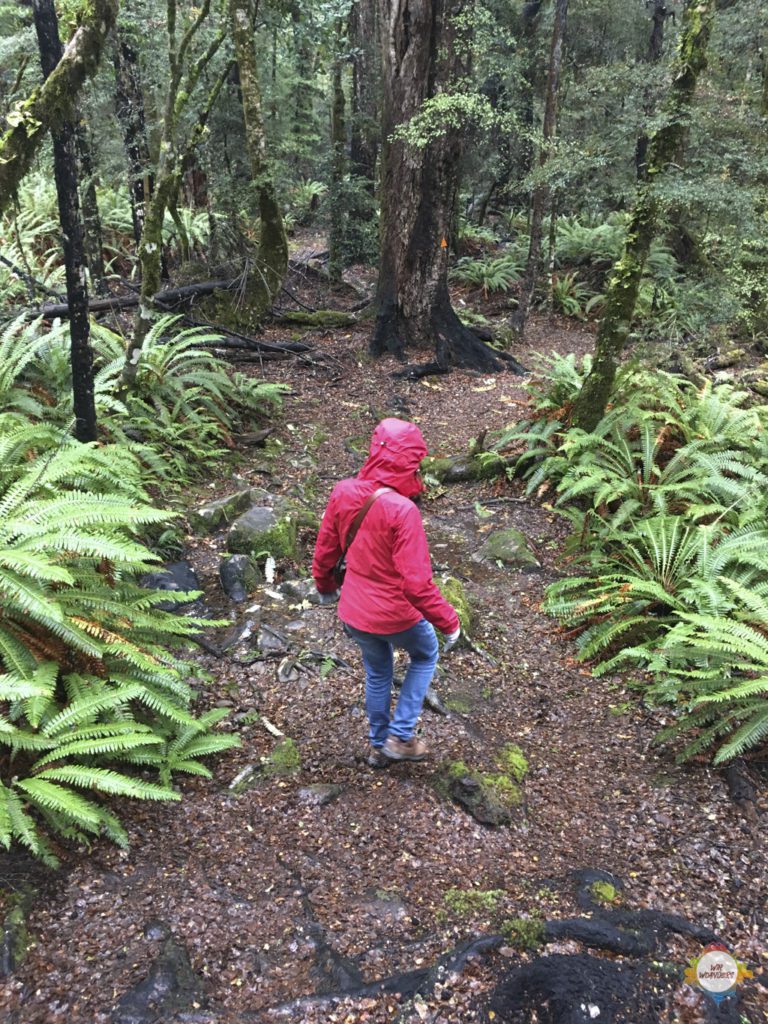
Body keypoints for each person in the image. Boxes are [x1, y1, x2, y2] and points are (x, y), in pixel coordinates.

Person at [312, 418, 461, 767]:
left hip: (354, 611)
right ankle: (401, 736)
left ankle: (380, 745)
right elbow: (417, 585)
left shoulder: (344, 491)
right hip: (396, 613)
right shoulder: (402, 510)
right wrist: (450, 622)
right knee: (425, 655)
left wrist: (325, 587)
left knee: (377, 672)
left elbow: (325, 550)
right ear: (411, 462)